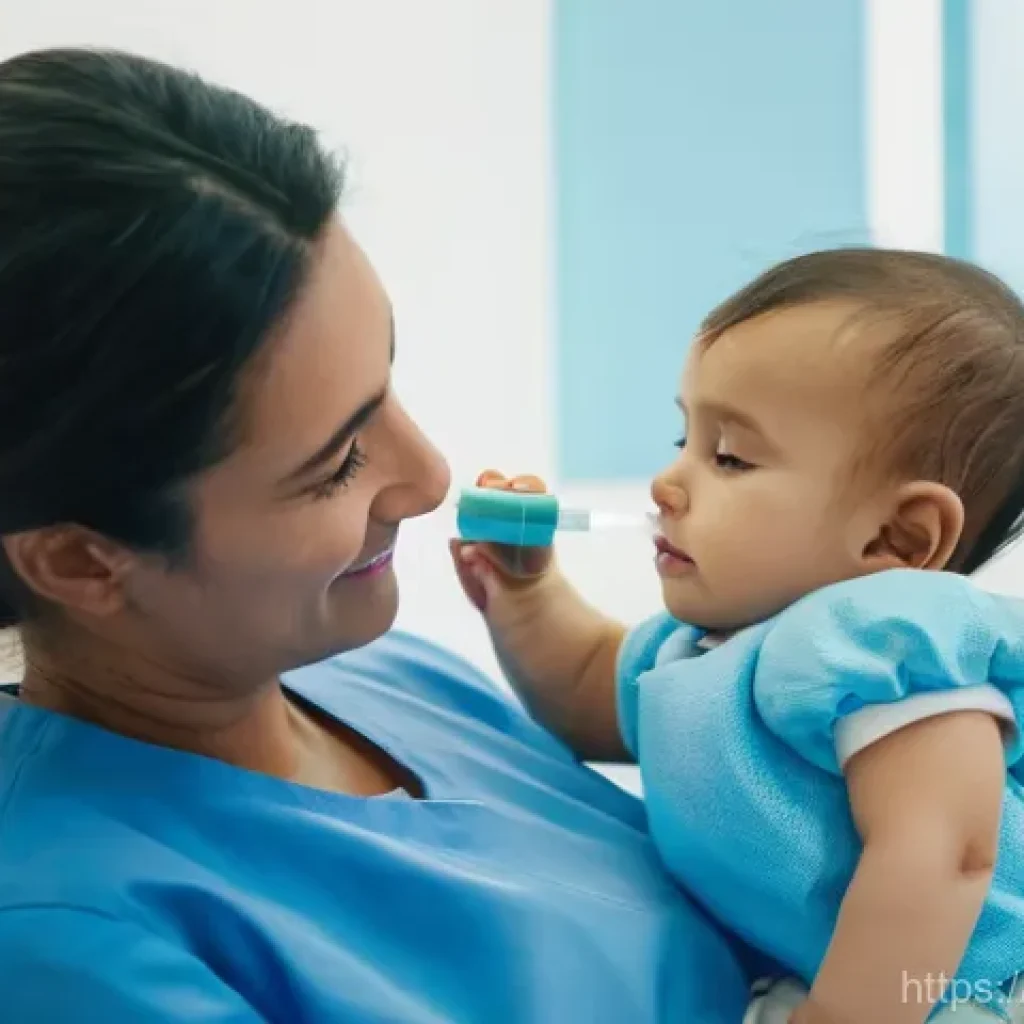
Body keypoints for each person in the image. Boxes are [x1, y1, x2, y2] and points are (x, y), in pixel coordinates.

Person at [0, 48, 754, 1022]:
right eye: (337, 461)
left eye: (387, 381)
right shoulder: (73, 942)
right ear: (80, 559)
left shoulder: (393, 675)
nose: (431, 475)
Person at [454, 251, 1024, 1023]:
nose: (668, 482)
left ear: (896, 539)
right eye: (684, 437)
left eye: (729, 457)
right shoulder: (695, 651)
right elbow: (587, 687)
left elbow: (943, 851)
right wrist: (525, 594)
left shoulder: (879, 645)